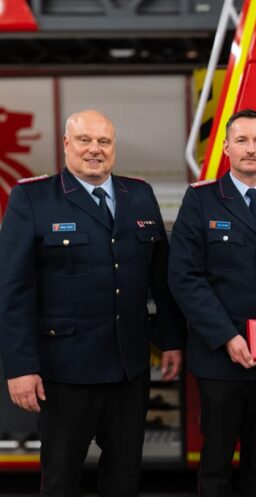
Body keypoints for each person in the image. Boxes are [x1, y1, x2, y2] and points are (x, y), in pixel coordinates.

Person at [0, 109, 185, 497]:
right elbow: (13, 290)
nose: (94, 150)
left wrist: (170, 340)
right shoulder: (32, 198)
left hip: (128, 368)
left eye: (104, 142)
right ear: (66, 144)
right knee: (62, 479)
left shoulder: (139, 195)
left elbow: (160, 278)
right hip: (65, 371)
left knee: (123, 477)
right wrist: (20, 367)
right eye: (85, 140)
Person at [168, 108, 256, 497]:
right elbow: (184, 276)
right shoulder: (201, 201)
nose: (251, 149)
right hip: (220, 359)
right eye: (242, 140)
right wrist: (227, 337)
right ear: (226, 147)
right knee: (215, 463)